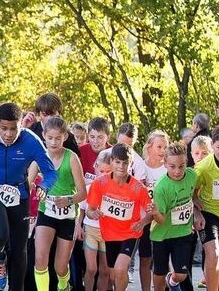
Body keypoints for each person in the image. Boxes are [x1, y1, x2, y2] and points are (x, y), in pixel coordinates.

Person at [0, 102, 58, 290]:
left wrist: (45, 187)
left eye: (13, 128)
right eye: (3, 128)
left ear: (21, 125)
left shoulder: (31, 141)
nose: (8, 133)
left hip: (20, 194)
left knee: (19, 249)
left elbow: (50, 172)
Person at [86, 143, 153, 291]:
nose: (121, 167)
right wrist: (93, 213)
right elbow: (89, 210)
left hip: (130, 233)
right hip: (109, 235)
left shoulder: (138, 187)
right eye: (117, 162)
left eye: (125, 163)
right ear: (111, 162)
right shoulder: (100, 183)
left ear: (131, 164)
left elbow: (150, 213)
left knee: (121, 268)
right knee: (113, 274)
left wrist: (142, 222)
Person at [33, 117, 87, 291]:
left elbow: (83, 193)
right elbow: (28, 183)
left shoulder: (71, 158)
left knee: (60, 267)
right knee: (40, 259)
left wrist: (68, 200)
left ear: (64, 137)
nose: (53, 142)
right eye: (50, 138)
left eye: (58, 138)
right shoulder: (39, 157)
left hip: (67, 215)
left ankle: (64, 285)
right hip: (46, 211)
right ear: (44, 136)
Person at [150, 142, 199, 291]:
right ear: (164, 164)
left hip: (182, 232)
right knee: (159, 272)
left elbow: (195, 189)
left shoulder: (192, 175)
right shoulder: (161, 187)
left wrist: (195, 200)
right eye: (172, 167)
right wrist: (155, 213)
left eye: (181, 166)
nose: (177, 171)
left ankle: (171, 281)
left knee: (181, 274)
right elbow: (160, 219)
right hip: (161, 235)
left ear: (186, 163)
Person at [137, 130, 169, 291]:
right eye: (159, 146)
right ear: (149, 147)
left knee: (162, 258)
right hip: (144, 220)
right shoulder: (140, 166)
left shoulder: (167, 170)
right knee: (145, 258)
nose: (163, 150)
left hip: (162, 219)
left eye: (165, 147)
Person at [193, 126, 219, 291]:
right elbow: (190, 193)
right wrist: (196, 212)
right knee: (214, 255)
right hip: (209, 214)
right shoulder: (203, 167)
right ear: (213, 146)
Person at [81, 150, 112, 291]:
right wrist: (78, 226)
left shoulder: (116, 191)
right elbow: (82, 210)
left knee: (105, 270)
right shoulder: (89, 188)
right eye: (101, 171)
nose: (104, 175)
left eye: (108, 171)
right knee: (92, 268)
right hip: (91, 231)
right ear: (95, 167)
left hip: (108, 233)